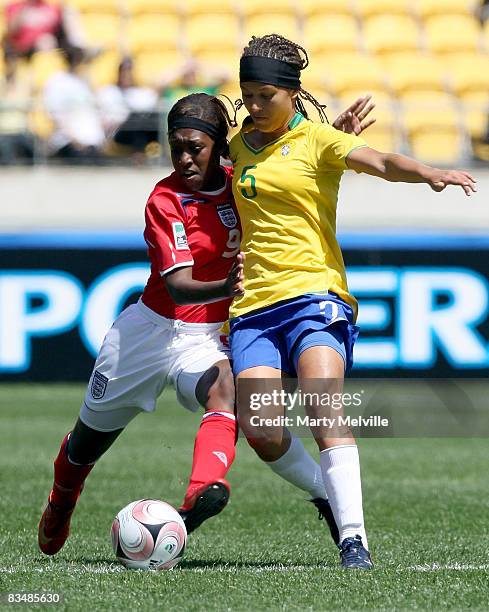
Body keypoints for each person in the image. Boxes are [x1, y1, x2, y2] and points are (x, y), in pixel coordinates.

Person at [38, 90, 377, 556]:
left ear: (219, 145)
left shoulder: (245, 183)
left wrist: (332, 145)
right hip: (149, 329)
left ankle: (202, 490)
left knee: (228, 390)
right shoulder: (164, 198)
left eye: (194, 146)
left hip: (206, 338)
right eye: (175, 146)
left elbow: (296, 180)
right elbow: (178, 285)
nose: (183, 157)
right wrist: (227, 287)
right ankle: (62, 502)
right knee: (84, 445)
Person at [227, 34, 477, 570]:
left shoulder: (320, 140)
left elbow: (382, 160)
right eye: (247, 93)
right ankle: (327, 493)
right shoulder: (236, 145)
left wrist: (429, 173)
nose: (253, 104)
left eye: (264, 93)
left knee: (323, 403)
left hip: (314, 292)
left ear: (291, 92)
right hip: (253, 307)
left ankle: (354, 540)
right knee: (263, 429)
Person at [43, 46, 106, 163]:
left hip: (91, 141)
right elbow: (55, 115)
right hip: (67, 141)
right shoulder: (57, 81)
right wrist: (75, 140)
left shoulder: (85, 81)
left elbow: (96, 109)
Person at [98, 56, 160, 157]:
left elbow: (153, 101)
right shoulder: (108, 91)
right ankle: (138, 154)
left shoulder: (140, 93)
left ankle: (141, 152)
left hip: (138, 130)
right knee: (134, 117)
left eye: (129, 72)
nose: (126, 75)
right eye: (124, 72)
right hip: (118, 131)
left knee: (151, 118)